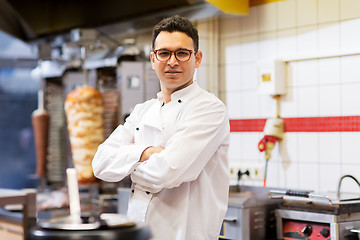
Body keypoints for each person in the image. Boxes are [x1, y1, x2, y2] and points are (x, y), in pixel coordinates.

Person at [92, 15, 230, 240]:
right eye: (164, 53)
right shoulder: (143, 110)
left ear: (197, 58)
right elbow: (100, 163)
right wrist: (146, 153)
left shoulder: (209, 108)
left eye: (182, 53)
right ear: (153, 59)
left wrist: (127, 164)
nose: (172, 61)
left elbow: (167, 172)